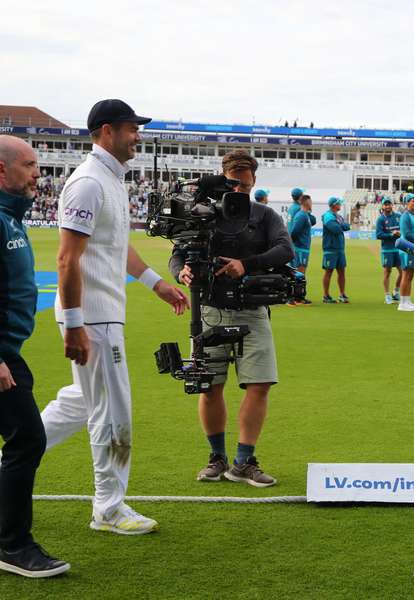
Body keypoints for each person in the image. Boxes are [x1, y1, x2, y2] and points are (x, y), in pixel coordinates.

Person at [42, 100, 189, 535]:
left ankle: (14, 456)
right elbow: (68, 259)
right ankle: (108, 508)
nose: (137, 136)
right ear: (106, 131)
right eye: (130, 128)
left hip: (102, 314)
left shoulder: (110, 179)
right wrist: (74, 323)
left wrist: (154, 283)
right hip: (93, 317)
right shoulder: (88, 182)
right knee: (113, 412)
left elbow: (115, 245)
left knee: (82, 402)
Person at [170, 149, 293, 486]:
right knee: (209, 387)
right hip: (208, 309)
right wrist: (181, 273)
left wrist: (246, 265)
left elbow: (286, 250)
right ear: (222, 177)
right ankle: (216, 458)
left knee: (260, 384)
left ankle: (243, 460)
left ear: (254, 183)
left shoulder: (265, 214)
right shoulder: (201, 214)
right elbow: (177, 254)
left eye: (246, 187)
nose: (239, 192)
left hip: (252, 308)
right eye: (234, 185)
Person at [0, 135, 70, 577]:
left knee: (25, 437)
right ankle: (12, 545)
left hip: (8, 352)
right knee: (27, 438)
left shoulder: (11, 217)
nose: (38, 175)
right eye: (29, 165)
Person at [321, 196, 350, 303]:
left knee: (342, 271)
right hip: (330, 248)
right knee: (328, 271)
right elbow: (335, 229)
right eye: (339, 203)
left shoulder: (338, 216)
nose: (340, 205)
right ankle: (326, 295)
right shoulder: (328, 216)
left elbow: (347, 226)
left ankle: (342, 294)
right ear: (334, 205)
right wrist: (341, 225)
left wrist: (341, 225)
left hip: (340, 248)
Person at [398, 193, 414, 311]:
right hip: (407, 249)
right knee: (406, 274)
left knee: (410, 275)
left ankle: (407, 300)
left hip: (413, 248)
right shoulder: (405, 216)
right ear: (407, 203)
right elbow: (406, 234)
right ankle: (402, 303)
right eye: (413, 201)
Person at [374, 198, 402, 304]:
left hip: (399, 249)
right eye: (385, 205)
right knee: (387, 272)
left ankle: (396, 291)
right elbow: (378, 235)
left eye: (389, 204)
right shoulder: (381, 219)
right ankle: (387, 295)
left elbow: (403, 230)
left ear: (392, 205)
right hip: (387, 249)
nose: (387, 206)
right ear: (382, 206)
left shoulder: (398, 216)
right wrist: (392, 234)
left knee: (402, 271)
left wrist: (400, 233)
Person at [288, 193, 314, 304]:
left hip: (303, 248)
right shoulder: (301, 215)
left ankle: (299, 296)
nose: (312, 203)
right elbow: (294, 232)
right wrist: (296, 245)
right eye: (311, 201)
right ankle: (294, 297)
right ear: (307, 202)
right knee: (299, 272)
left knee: (301, 272)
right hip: (300, 248)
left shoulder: (305, 214)